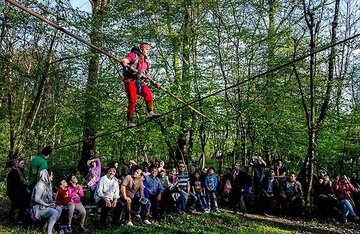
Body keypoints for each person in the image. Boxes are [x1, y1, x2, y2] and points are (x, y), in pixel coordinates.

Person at [121, 42, 159, 127]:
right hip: (130, 81)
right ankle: (129, 121)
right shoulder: (134, 55)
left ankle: (150, 113)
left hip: (140, 82)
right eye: (146, 49)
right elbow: (125, 60)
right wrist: (125, 63)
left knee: (148, 94)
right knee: (133, 101)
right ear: (141, 49)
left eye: (149, 50)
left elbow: (146, 74)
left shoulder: (147, 61)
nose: (148, 51)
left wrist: (154, 82)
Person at [30, 170, 62, 234]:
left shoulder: (47, 184)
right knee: (54, 212)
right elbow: (37, 199)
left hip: (44, 205)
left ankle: (49, 226)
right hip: (37, 207)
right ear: (47, 176)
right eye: (51, 175)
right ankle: (49, 232)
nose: (52, 176)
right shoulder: (40, 185)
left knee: (59, 208)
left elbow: (48, 198)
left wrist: (53, 203)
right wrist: (47, 205)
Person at [6, 157, 30, 224]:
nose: (23, 165)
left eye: (23, 163)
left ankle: (19, 219)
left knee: (22, 204)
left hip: (19, 192)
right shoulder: (14, 172)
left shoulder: (20, 171)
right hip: (14, 192)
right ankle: (14, 220)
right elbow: (17, 183)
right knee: (17, 205)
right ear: (17, 163)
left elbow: (22, 182)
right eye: (21, 163)